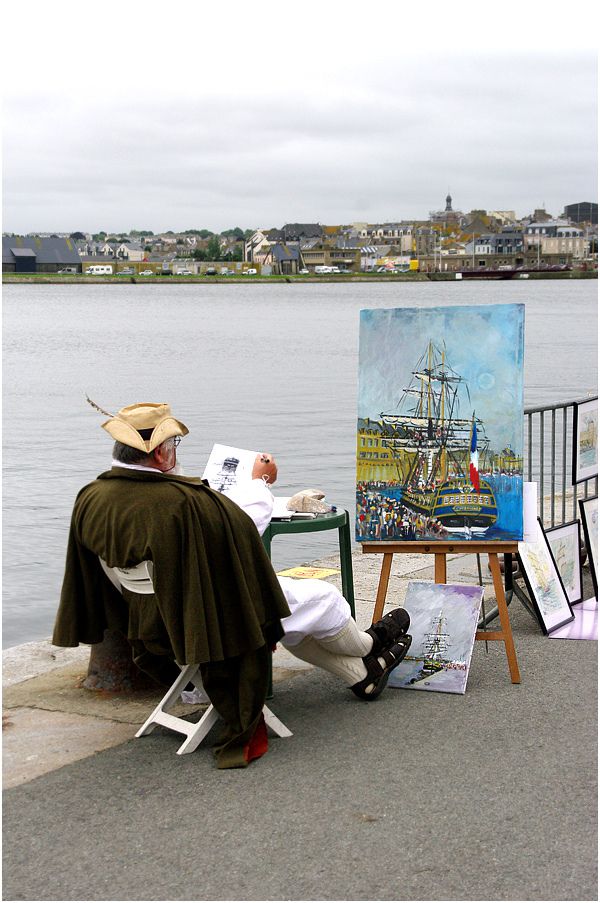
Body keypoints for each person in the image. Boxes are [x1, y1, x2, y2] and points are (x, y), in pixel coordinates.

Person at [53, 402, 411, 767]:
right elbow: (243, 529)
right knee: (319, 598)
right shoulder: (180, 504)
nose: (175, 455)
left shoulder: (92, 497)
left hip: (149, 619)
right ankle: (370, 643)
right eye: (174, 447)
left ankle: (364, 674)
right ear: (160, 453)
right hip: (204, 621)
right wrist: (258, 481)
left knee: (293, 610)